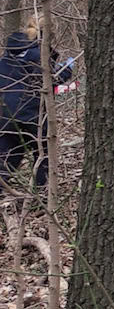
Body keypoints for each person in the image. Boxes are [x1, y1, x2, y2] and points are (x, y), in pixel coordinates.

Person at [0, 16, 74, 191]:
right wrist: (67, 69)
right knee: (44, 153)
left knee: (8, 155)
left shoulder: (9, 53)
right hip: (33, 115)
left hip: (6, 114)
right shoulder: (39, 53)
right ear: (49, 32)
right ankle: (39, 194)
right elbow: (50, 83)